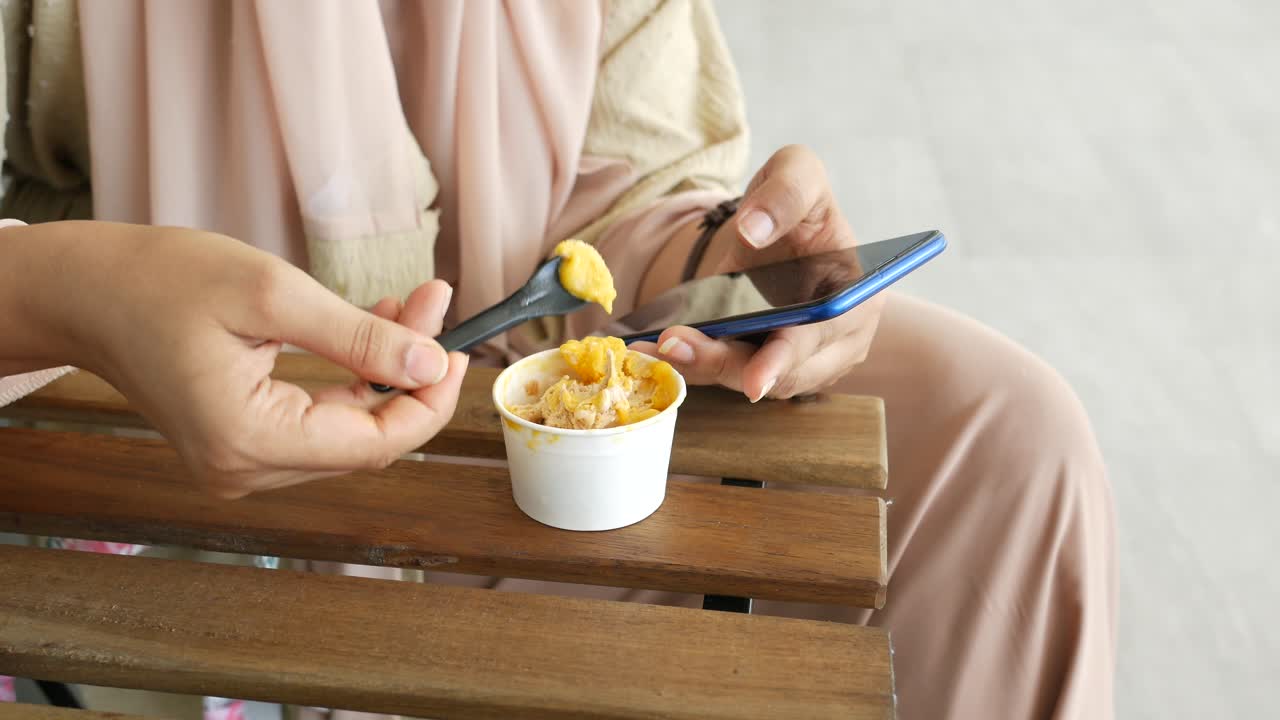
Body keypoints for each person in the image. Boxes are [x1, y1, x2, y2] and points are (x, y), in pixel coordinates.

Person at [0, 2, 1116, 719]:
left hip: (533, 424)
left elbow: (624, 191)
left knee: (1003, 435)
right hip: (145, 445)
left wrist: (725, 266)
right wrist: (72, 295)